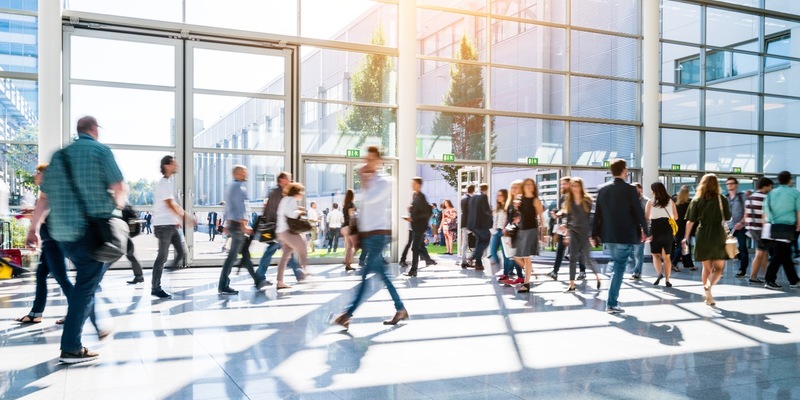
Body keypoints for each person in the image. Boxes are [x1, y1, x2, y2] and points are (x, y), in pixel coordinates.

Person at [30, 116, 125, 363]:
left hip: (63, 236)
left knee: (87, 284)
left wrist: (33, 229)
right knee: (85, 288)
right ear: (94, 130)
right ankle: (71, 347)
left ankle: (89, 328)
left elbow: (44, 198)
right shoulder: (101, 150)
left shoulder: (59, 156)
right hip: (92, 234)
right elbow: (118, 187)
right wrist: (119, 206)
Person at [333, 146, 407, 329]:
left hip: (378, 234)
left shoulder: (386, 181)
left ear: (379, 161)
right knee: (383, 275)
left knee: (366, 275)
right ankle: (400, 309)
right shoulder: (370, 180)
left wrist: (365, 179)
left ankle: (347, 314)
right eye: (367, 159)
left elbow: (372, 199)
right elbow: (364, 209)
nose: (368, 163)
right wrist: (358, 235)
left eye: (372, 159)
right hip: (369, 235)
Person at [16, 163, 74, 324]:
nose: (36, 175)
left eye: (38, 172)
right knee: (41, 275)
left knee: (62, 278)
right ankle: (36, 313)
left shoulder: (50, 191)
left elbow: (48, 215)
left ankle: (77, 312)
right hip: (50, 241)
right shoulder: (50, 192)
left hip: (54, 241)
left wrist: (33, 225)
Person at [592, 159, 649, 314]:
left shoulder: (602, 189)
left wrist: (594, 233)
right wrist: (646, 230)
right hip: (624, 234)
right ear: (624, 170)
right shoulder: (630, 189)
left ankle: (611, 297)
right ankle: (611, 303)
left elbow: (597, 213)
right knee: (619, 267)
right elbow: (638, 212)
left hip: (608, 235)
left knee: (617, 263)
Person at [684, 173, 731, 306]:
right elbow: (727, 217)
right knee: (719, 268)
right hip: (718, 234)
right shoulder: (722, 199)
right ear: (717, 184)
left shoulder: (696, 200)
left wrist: (686, 237)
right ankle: (708, 288)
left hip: (702, 234)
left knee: (707, 268)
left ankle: (708, 294)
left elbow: (690, 221)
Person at [217, 165, 261, 295]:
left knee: (244, 255)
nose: (246, 173)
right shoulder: (238, 187)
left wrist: (226, 224)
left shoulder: (233, 186)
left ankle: (258, 280)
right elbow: (240, 208)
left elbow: (228, 209)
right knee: (232, 257)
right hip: (238, 227)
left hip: (234, 225)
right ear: (237, 174)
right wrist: (244, 226)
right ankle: (223, 285)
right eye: (243, 172)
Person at [255, 172, 304, 284]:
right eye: (288, 179)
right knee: (283, 251)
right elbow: (277, 211)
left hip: (276, 228)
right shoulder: (279, 193)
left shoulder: (277, 192)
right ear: (281, 180)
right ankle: (298, 274)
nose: (290, 180)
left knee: (281, 251)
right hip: (277, 229)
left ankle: (260, 276)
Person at [150, 155, 188, 299]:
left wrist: (178, 218)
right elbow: (170, 204)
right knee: (162, 257)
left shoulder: (168, 183)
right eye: (173, 163)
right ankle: (155, 287)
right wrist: (185, 217)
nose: (176, 164)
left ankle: (167, 272)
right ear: (166, 166)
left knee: (181, 252)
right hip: (163, 226)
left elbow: (173, 204)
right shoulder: (163, 183)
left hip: (171, 225)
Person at [762, 171, 800, 290]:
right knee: (779, 255)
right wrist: (799, 226)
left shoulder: (771, 193)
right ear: (789, 180)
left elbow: (766, 211)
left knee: (785, 254)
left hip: (774, 227)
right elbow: (799, 211)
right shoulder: (794, 193)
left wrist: (771, 222)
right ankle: (769, 279)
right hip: (788, 227)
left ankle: (794, 280)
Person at [562, 177, 601, 292]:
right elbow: (569, 218)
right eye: (572, 186)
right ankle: (572, 284)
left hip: (585, 232)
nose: (574, 188)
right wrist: (566, 232)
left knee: (588, 258)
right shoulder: (569, 200)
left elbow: (592, 217)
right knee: (572, 258)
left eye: (576, 185)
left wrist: (592, 234)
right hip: (574, 231)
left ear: (581, 186)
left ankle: (597, 277)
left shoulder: (587, 200)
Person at [547, 176, 585, 281]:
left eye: (564, 183)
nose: (562, 186)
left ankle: (582, 271)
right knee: (560, 250)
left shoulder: (576, 198)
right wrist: (555, 213)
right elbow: (561, 210)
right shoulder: (563, 197)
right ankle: (555, 271)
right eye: (561, 184)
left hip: (574, 227)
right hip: (563, 227)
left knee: (578, 250)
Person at [276, 182, 310, 290]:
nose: (302, 194)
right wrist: (300, 211)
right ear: (297, 192)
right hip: (287, 231)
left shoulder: (285, 199)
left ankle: (280, 282)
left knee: (285, 256)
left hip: (281, 231)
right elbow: (291, 214)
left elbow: (287, 212)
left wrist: (297, 209)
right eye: (301, 191)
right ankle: (306, 275)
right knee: (303, 250)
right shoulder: (291, 199)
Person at [513, 178, 544, 293]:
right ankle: (529, 274)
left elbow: (541, 217)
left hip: (531, 229)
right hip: (521, 229)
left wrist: (543, 233)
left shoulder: (535, 200)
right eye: (527, 184)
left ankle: (526, 283)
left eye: (531, 184)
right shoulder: (520, 199)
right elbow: (520, 215)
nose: (529, 186)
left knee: (526, 256)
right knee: (517, 255)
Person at [646, 181, 678, 288]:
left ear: (654, 191)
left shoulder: (650, 202)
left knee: (655, 254)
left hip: (655, 229)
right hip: (667, 229)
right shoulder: (670, 201)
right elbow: (676, 217)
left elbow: (647, 218)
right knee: (667, 257)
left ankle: (660, 273)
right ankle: (668, 280)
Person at [744, 178, 773, 285]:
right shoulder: (766, 198)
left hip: (752, 228)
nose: (771, 188)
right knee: (760, 253)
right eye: (770, 186)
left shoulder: (749, 198)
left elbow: (746, 215)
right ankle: (753, 276)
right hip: (762, 229)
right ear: (766, 186)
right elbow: (766, 215)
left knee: (764, 253)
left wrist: (748, 227)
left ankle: (766, 276)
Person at [405, 177, 433, 277]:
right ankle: (415, 268)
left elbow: (426, 212)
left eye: (414, 183)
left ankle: (414, 269)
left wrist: (413, 218)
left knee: (415, 248)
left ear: (419, 185)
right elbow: (418, 211)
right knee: (415, 248)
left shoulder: (421, 197)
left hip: (419, 226)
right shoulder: (416, 196)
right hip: (416, 226)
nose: (412, 185)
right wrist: (411, 212)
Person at [499, 180, 525, 286]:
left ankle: (518, 274)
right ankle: (519, 275)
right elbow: (509, 218)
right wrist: (505, 227)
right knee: (512, 255)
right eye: (512, 187)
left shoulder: (521, 202)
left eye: (516, 187)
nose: (513, 190)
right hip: (510, 231)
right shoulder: (510, 202)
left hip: (519, 232)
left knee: (515, 255)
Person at [725, 177, 750, 278]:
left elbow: (747, 211)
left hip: (740, 226)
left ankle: (742, 269)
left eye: (731, 183)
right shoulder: (725, 198)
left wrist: (742, 222)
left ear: (736, 185)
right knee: (726, 247)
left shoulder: (742, 196)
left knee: (743, 247)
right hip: (728, 226)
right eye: (728, 184)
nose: (729, 185)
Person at [670, 186, 697, 271]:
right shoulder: (689, 204)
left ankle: (689, 264)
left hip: (677, 228)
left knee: (685, 246)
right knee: (682, 246)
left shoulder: (675, 204)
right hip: (685, 229)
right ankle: (673, 263)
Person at [468, 183, 492, 270]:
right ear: (486, 189)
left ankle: (478, 263)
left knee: (480, 241)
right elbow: (486, 210)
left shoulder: (473, 197)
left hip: (472, 224)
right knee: (486, 240)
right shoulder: (483, 196)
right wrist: (491, 213)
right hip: (481, 224)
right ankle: (473, 256)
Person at [628, 182, 648, 280]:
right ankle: (635, 269)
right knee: (630, 252)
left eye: (636, 188)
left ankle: (637, 272)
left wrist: (645, 231)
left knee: (638, 252)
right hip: (630, 230)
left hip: (640, 229)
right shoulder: (629, 200)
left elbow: (647, 218)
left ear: (640, 189)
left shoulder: (645, 201)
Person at [490, 189, 509, 272]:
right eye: (497, 195)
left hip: (504, 232)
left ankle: (507, 272)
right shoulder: (497, 208)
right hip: (496, 231)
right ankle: (499, 265)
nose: (498, 197)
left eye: (500, 195)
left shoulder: (508, 208)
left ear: (505, 196)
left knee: (506, 254)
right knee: (492, 251)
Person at [342, 189, 358, 271]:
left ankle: (347, 264)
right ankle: (349, 262)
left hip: (344, 227)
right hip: (349, 226)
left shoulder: (344, 205)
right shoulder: (351, 204)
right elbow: (352, 215)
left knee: (349, 247)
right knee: (356, 246)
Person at [460, 185, 474, 268]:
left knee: (464, 243)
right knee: (474, 242)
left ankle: (463, 260)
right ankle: (471, 259)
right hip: (470, 223)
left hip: (463, 223)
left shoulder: (463, 199)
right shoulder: (471, 199)